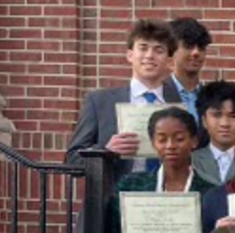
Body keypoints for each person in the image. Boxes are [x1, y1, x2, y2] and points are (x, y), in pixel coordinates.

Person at [109, 107, 218, 233]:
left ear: (194, 141)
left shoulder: (210, 193)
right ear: (153, 143)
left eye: (179, 138)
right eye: (162, 139)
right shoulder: (131, 186)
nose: (170, 146)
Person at [66, 20, 182, 176]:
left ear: (169, 61)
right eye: (143, 48)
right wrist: (105, 151)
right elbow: (72, 161)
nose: (149, 55)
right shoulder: (99, 102)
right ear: (130, 55)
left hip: (163, 197)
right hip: (115, 197)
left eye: (158, 50)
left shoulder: (179, 105)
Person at [194, 81, 235, 185]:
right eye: (217, 115)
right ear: (204, 121)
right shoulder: (191, 161)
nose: (225, 124)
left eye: (233, 116)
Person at [168, 17, 212, 121]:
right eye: (188, 46)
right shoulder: (159, 94)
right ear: (172, 49)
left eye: (201, 47)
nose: (196, 53)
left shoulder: (211, 97)